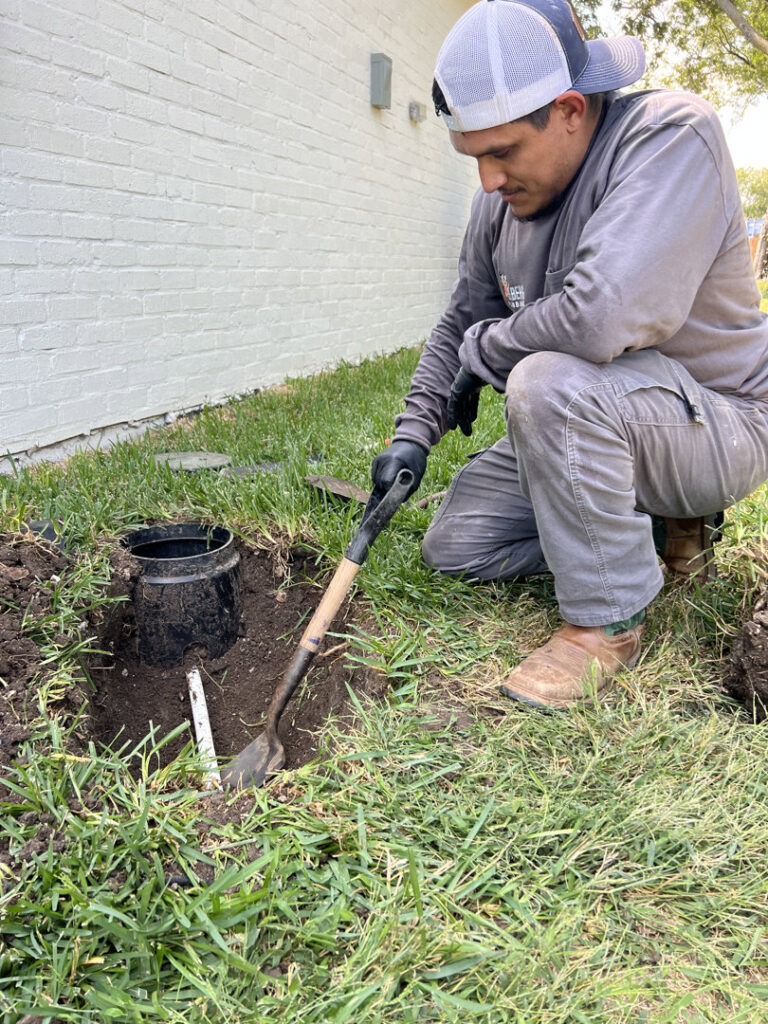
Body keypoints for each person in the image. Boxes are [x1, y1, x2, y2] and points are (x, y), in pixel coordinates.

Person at [369, 0, 768, 708]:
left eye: (502, 152)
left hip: (720, 424)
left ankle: (604, 623)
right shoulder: (497, 207)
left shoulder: (671, 136)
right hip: (598, 422)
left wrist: (486, 353)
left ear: (572, 110)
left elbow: (595, 320)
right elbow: (461, 318)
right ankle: (645, 533)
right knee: (456, 545)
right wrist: (412, 436)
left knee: (543, 380)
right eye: (475, 158)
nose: (488, 180)